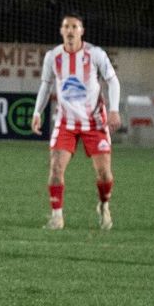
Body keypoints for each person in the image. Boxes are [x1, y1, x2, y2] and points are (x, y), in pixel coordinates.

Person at [32, 12, 121, 231]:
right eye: (66, 27)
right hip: (66, 122)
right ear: (61, 31)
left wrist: (114, 110)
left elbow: (113, 81)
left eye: (75, 27)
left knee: (104, 174)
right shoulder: (53, 56)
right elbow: (46, 85)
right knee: (55, 168)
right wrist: (37, 112)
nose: (70, 31)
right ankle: (57, 217)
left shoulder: (95, 54)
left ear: (82, 31)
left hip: (95, 123)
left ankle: (104, 205)